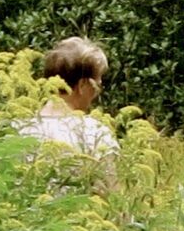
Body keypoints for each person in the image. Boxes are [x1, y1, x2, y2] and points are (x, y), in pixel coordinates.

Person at [17, 37, 118, 191]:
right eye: (97, 83)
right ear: (83, 85)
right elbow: (111, 195)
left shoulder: (19, 129)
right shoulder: (94, 133)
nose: (98, 90)